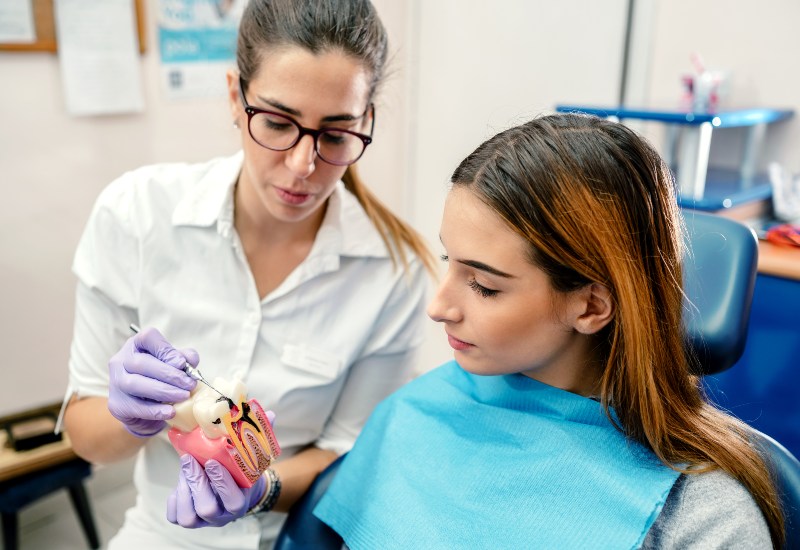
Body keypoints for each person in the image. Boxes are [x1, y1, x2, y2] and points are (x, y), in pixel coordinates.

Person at [60, 1, 435, 548]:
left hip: (295, 535)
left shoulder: (394, 273)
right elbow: (85, 438)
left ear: (367, 121)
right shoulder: (135, 215)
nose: (303, 166)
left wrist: (260, 489)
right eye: (279, 123)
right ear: (236, 97)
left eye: (335, 135)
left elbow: (348, 456)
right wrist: (128, 416)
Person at [314, 113, 783, 549]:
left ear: (591, 305)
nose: (439, 308)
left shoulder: (703, 520)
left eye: (484, 286)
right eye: (448, 262)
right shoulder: (417, 411)